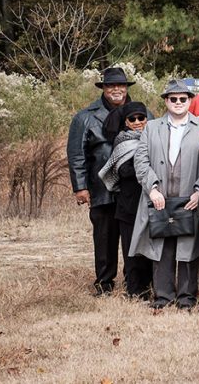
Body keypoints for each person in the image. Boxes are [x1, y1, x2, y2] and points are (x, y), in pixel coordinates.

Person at [129, 80, 199, 309]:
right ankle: (163, 297)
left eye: (182, 99)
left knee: (188, 248)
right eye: (173, 99)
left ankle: (186, 298)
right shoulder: (151, 127)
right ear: (166, 101)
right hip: (160, 197)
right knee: (161, 249)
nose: (177, 103)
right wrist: (152, 189)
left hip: (189, 198)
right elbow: (141, 160)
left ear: (189, 101)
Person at [68, 67, 146, 296]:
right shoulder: (85, 117)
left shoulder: (140, 113)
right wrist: (80, 186)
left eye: (121, 85)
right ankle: (104, 283)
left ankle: (137, 283)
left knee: (135, 237)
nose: (116, 89)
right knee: (105, 237)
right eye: (111, 85)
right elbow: (76, 154)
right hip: (102, 188)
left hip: (134, 188)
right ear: (103, 88)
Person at [97, 101, 153, 300]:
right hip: (129, 203)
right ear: (126, 122)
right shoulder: (122, 142)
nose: (137, 122)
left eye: (141, 117)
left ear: (147, 119)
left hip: (151, 202)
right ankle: (134, 290)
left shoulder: (154, 138)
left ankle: (150, 287)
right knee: (131, 248)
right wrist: (148, 168)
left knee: (150, 246)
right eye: (132, 119)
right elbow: (123, 171)